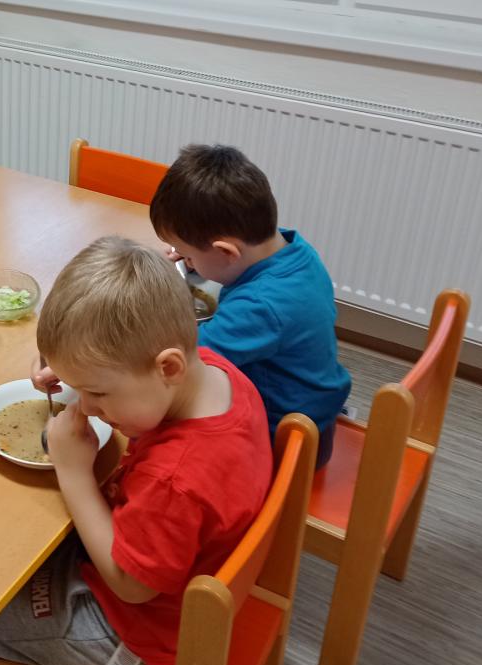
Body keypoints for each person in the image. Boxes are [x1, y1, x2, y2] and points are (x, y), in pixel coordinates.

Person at [0, 236, 271, 665]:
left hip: (142, 634)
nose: (86, 406)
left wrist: (74, 473)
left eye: (98, 393)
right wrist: (79, 370)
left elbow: (131, 585)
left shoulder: (174, 482)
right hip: (181, 586)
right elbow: (132, 376)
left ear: (168, 368)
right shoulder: (217, 373)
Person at [148, 143, 351, 466]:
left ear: (226, 252)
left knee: (150, 423)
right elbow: (230, 267)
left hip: (286, 444)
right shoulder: (294, 250)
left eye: (188, 255)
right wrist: (195, 259)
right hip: (314, 415)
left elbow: (186, 360)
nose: (187, 261)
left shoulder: (261, 307)